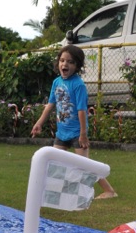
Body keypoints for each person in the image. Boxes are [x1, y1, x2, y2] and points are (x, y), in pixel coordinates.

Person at [31, 44, 117, 200]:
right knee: (54, 162)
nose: (65, 64)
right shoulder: (56, 82)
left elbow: (82, 110)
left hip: (77, 133)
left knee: (86, 165)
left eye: (70, 62)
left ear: (77, 66)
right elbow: (51, 104)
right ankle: (60, 189)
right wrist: (39, 123)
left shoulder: (78, 85)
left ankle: (109, 191)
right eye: (62, 60)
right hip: (62, 132)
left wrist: (83, 134)